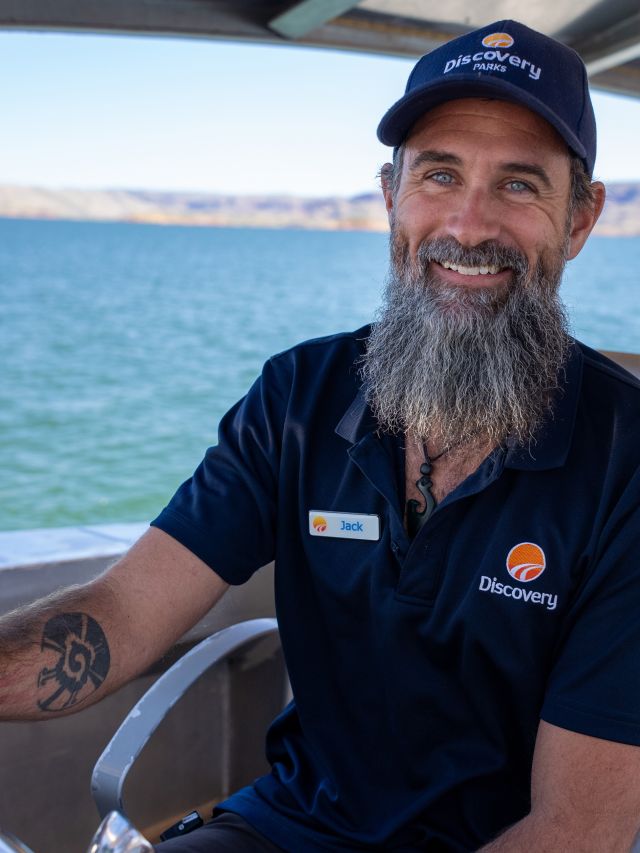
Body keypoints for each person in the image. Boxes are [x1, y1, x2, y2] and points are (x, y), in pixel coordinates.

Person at [1, 18, 640, 852]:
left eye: (519, 186)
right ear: (390, 197)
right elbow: (123, 610)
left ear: (581, 219)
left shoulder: (625, 462)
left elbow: (575, 829)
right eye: (439, 174)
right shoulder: (299, 397)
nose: (470, 225)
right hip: (290, 826)